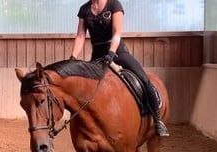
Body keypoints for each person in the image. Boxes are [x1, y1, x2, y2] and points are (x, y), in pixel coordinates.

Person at [70, 0, 169, 137]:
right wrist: (73, 57)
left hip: (117, 52)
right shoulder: (84, 9)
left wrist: (111, 52)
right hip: (97, 54)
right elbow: (80, 36)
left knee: (144, 80)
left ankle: (157, 120)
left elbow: (117, 32)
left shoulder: (114, 5)